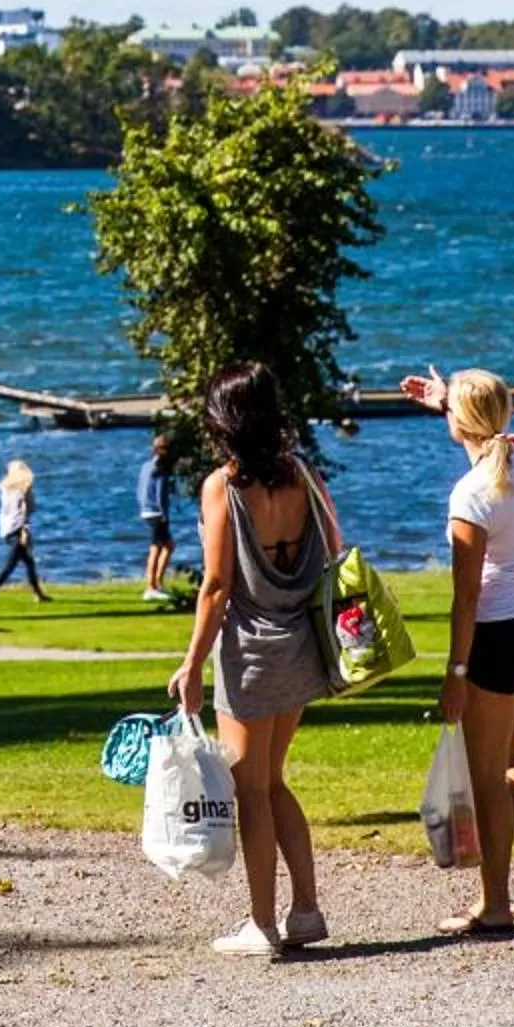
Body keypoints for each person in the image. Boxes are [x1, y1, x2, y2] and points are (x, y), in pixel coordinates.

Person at [169, 362, 337, 959]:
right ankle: (307, 909)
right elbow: (334, 552)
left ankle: (262, 923)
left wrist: (190, 665)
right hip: (301, 647)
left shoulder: (224, 486)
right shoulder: (304, 477)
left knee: (250, 789)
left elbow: (216, 585)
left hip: (247, 653)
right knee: (272, 781)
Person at [399, 365, 514, 936]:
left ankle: (494, 903)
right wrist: (449, 400)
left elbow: (465, 597)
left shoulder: (470, 494)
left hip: (497, 638)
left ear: (460, 422)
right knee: (509, 761)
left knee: (487, 775)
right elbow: (491, 438)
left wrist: (455, 671)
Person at [0, 457, 49, 604]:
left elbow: (7, 512)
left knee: (29, 562)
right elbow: (24, 511)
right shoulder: (23, 489)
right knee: (10, 564)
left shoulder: (5, 489)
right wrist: (25, 529)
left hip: (7, 529)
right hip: (18, 529)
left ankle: (38, 594)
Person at [136, 433, 178, 601]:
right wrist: (164, 514)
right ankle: (152, 586)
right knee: (157, 548)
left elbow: (140, 489)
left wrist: (143, 506)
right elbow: (161, 493)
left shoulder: (146, 466)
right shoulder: (161, 469)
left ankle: (157, 583)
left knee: (167, 545)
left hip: (146, 510)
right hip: (157, 512)